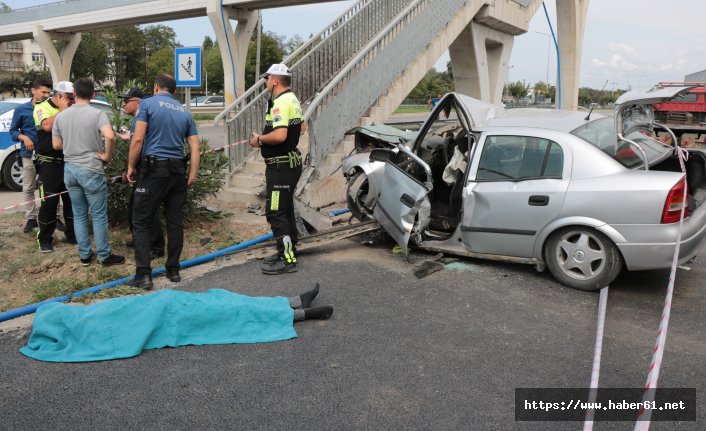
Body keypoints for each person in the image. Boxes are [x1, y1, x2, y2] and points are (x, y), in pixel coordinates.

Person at [20, 283, 333, 363]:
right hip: (171, 316)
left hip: (167, 304)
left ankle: (291, 302)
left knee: (225, 300)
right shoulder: (87, 329)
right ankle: (299, 312)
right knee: (227, 313)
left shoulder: (84, 313)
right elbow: (123, 336)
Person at [126, 74, 200, 290]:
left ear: (156, 87)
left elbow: (138, 138)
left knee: (140, 220)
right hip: (178, 171)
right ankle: (173, 270)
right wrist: (192, 174)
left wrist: (131, 166)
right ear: (174, 92)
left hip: (153, 170)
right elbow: (195, 147)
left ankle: (143, 275)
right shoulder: (184, 112)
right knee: (175, 221)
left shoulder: (148, 104)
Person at [51, 78, 125, 267]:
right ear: (93, 95)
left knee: (79, 214)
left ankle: (85, 255)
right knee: (99, 215)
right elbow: (109, 136)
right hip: (91, 169)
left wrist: (73, 145)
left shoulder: (61, 116)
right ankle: (104, 255)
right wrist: (106, 156)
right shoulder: (98, 114)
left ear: (73, 94)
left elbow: (56, 145)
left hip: (70, 170)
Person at [249, 63, 304, 275]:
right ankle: (289, 251)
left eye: (266, 78)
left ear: (275, 80)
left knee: (275, 211)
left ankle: (287, 259)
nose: (264, 82)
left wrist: (260, 139)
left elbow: (280, 136)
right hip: (287, 164)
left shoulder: (281, 102)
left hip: (280, 167)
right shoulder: (293, 99)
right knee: (286, 208)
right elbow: (301, 127)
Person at [117, 87, 165, 258]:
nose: (123, 104)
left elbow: (140, 142)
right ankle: (140, 239)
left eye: (126, 101)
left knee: (145, 209)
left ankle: (156, 247)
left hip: (147, 168)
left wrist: (131, 167)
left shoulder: (141, 117)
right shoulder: (139, 119)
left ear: (137, 102)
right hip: (146, 168)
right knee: (135, 207)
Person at [33, 81, 76, 252]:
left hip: (69, 161)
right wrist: (63, 111)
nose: (72, 101)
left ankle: (72, 236)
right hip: (49, 163)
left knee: (72, 201)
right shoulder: (42, 107)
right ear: (59, 96)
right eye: (69, 97)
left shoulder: (72, 108)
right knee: (49, 203)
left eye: (73, 98)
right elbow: (47, 126)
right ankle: (45, 239)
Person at [9, 78, 52, 233]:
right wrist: (24, 137)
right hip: (28, 154)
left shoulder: (52, 108)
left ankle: (54, 216)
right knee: (28, 187)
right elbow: (13, 131)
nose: (46, 95)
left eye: (48, 92)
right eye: (43, 92)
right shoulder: (22, 109)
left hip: (49, 154)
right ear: (34, 91)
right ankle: (31, 218)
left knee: (50, 187)